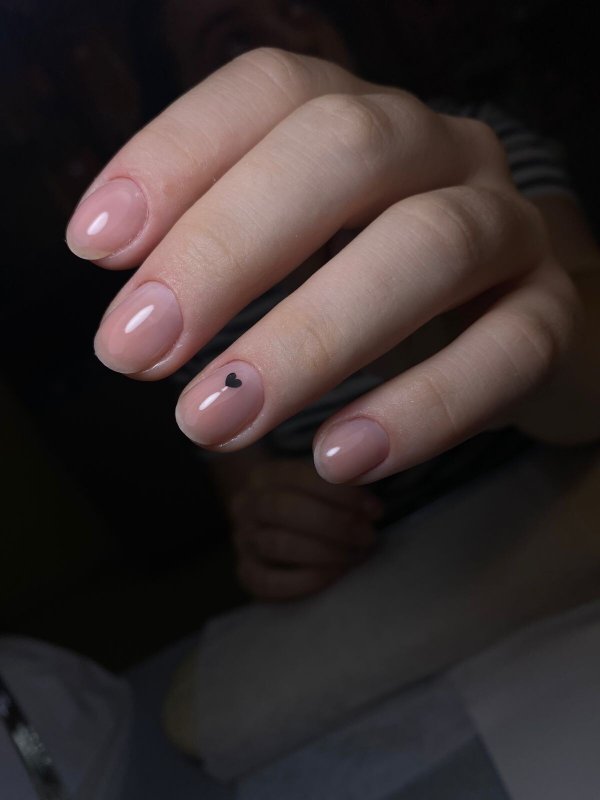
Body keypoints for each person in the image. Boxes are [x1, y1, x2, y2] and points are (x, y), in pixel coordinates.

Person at [65, 1, 600, 604]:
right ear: (182, 93)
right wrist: (276, 527)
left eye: (294, 6)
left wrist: (528, 326)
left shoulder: (476, 148)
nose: (285, 33)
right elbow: (247, 493)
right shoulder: (177, 288)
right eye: (231, 38)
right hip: (386, 597)